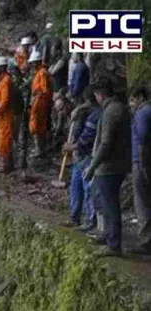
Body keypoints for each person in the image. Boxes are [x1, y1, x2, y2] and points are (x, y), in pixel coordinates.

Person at [83, 79, 131, 257]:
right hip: (116, 163)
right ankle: (109, 236)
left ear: (101, 94)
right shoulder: (119, 108)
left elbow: (105, 143)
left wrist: (92, 166)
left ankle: (113, 244)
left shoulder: (111, 111)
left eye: (96, 94)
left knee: (110, 204)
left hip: (109, 166)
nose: (96, 98)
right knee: (106, 202)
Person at [61, 87, 102, 230]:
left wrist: (72, 147)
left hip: (89, 155)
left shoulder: (94, 114)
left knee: (87, 189)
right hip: (81, 155)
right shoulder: (81, 112)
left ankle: (90, 221)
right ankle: (75, 217)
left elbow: (86, 137)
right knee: (76, 187)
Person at [128, 87, 151, 254]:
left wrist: (143, 165)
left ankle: (146, 239)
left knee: (142, 202)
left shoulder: (142, 113)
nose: (130, 104)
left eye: (132, 100)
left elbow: (142, 140)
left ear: (140, 97)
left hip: (141, 162)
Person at [27, 50, 52, 159]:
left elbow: (44, 90)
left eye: (33, 62)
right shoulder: (39, 72)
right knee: (39, 126)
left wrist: (36, 94)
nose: (31, 65)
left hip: (40, 102)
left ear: (37, 62)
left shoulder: (42, 73)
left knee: (36, 126)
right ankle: (40, 149)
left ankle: (39, 149)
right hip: (39, 101)